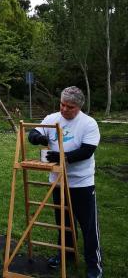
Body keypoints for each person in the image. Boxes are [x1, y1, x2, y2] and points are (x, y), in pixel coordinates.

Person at [28, 86, 102, 278]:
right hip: (58, 181)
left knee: (88, 226)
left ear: (78, 107)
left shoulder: (88, 123)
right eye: (62, 104)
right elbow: (32, 134)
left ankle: (94, 265)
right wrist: (38, 137)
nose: (64, 109)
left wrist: (63, 157)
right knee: (63, 223)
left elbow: (86, 151)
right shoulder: (52, 118)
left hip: (81, 183)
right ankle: (66, 254)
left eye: (69, 107)